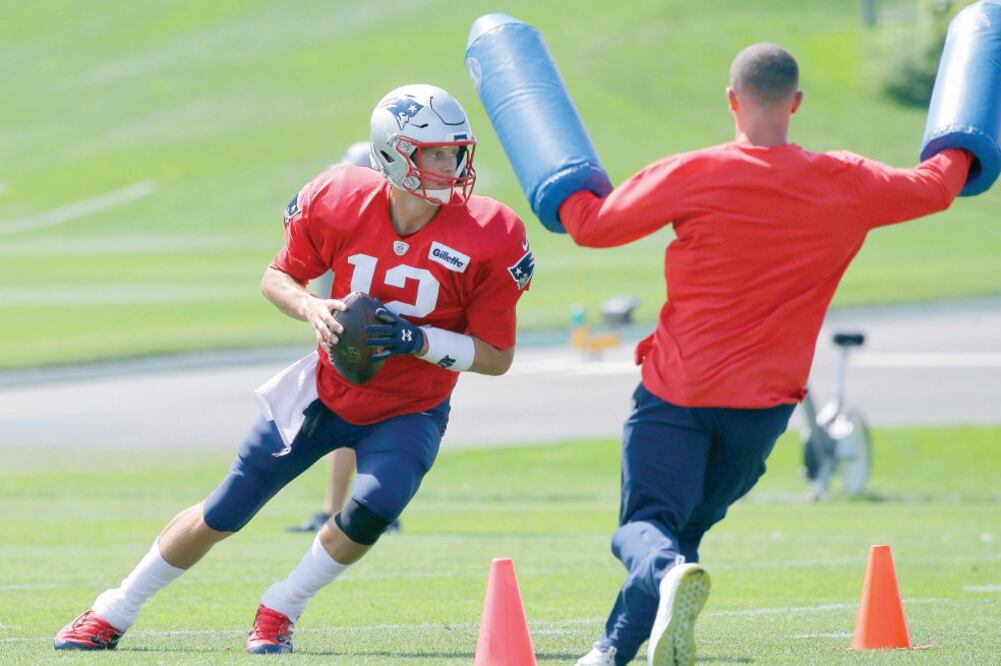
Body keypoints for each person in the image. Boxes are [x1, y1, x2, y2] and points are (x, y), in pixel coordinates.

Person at [54, 83, 534, 654]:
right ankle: (115, 607)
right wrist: (310, 306)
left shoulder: (492, 232)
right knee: (227, 509)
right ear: (391, 153)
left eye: (456, 151)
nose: (449, 165)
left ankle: (281, 607)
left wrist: (417, 339)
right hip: (324, 393)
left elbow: (497, 357)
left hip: (411, 407)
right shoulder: (335, 196)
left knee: (374, 510)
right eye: (432, 152)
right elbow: (276, 277)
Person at [566, 44, 971, 666]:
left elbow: (591, 226)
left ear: (732, 100)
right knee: (686, 530)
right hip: (761, 413)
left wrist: (559, 181)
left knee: (644, 528)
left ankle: (658, 589)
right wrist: (966, 132)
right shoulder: (846, 180)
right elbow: (939, 186)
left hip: (679, 393)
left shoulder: (692, 172)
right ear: (797, 102)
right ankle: (614, 650)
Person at [287, 141, 399, 536]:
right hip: (344, 330)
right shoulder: (345, 218)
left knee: (354, 420)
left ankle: (352, 507)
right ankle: (355, 506)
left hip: (366, 340)